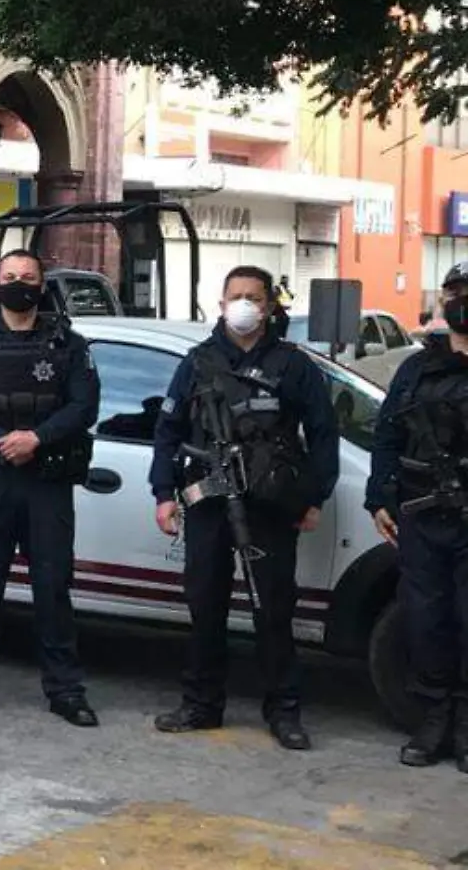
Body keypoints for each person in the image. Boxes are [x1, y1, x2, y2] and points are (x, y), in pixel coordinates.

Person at [150, 266, 338, 750]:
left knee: (273, 610)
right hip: (209, 502)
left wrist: (314, 497)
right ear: (220, 303)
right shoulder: (196, 362)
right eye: (235, 295)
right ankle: (201, 704)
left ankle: (284, 710)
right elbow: (168, 433)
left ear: (270, 306)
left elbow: (323, 436)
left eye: (253, 296)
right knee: (205, 606)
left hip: (271, 506)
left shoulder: (294, 366)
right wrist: (164, 494)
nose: (244, 304)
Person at [0, 249, 102, 726]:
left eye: (28, 277)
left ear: (42, 282)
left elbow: (84, 406)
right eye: (10, 277)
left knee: (53, 588)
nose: (19, 284)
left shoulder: (69, 344)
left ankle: (65, 690)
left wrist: (37, 438)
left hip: (46, 480)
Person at [367, 261, 468, 770]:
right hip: (423, 518)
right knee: (426, 622)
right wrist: (378, 498)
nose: (462, 300)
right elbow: (386, 435)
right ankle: (433, 723)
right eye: (456, 291)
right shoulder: (415, 367)